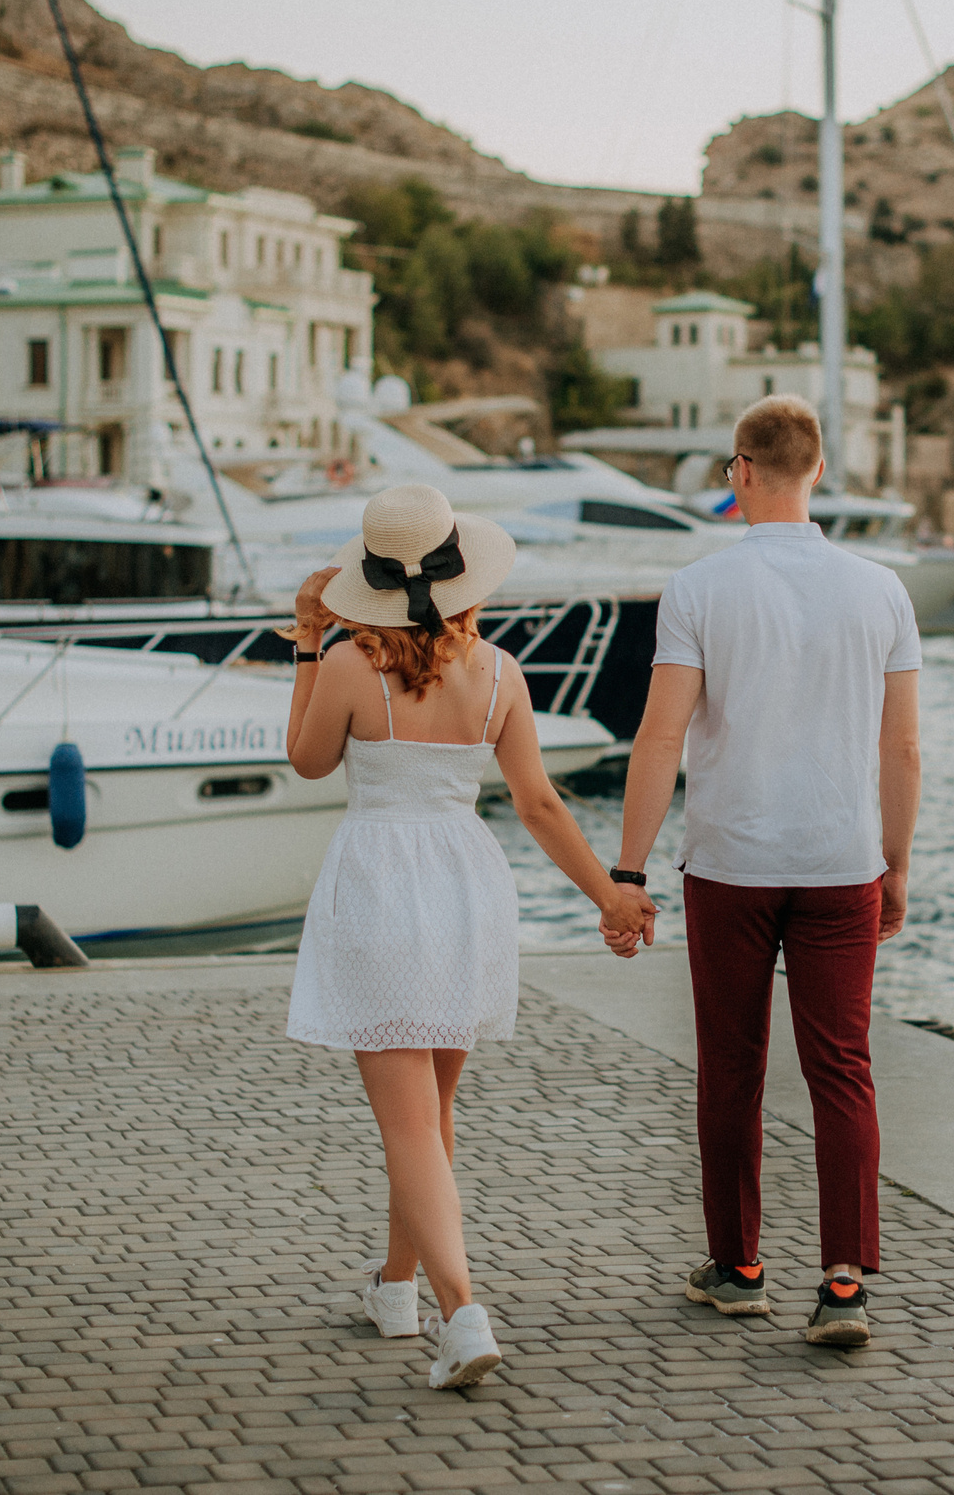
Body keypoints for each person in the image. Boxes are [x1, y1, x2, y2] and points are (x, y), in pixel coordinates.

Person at [283, 482, 656, 1391]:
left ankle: (462, 1313)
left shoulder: (345, 665)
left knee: (409, 1127)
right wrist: (610, 894)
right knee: (432, 1120)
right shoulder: (500, 674)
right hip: (464, 889)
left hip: (380, 886)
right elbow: (537, 802)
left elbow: (305, 758)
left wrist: (303, 643)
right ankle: (396, 1288)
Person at [608, 394, 923, 1347]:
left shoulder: (699, 587)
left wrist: (628, 870)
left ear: (739, 470)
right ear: (819, 470)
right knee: (843, 1069)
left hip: (733, 864)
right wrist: (895, 868)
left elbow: (660, 736)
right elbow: (902, 751)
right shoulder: (881, 589)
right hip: (841, 862)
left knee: (731, 1066)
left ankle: (740, 1267)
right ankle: (842, 1283)